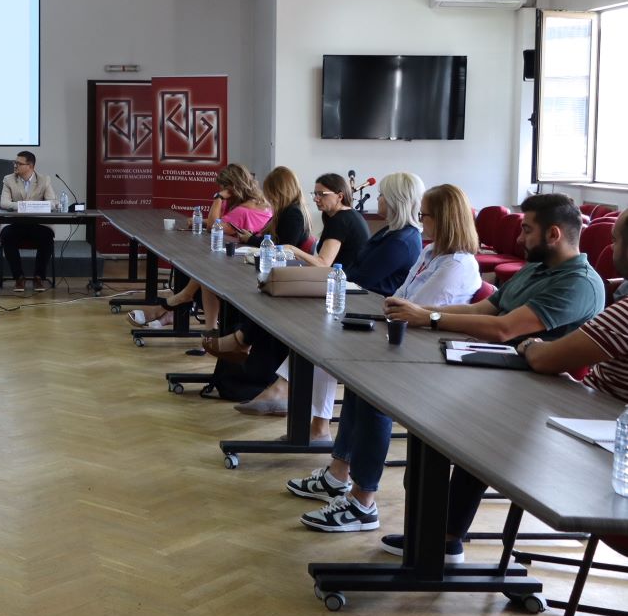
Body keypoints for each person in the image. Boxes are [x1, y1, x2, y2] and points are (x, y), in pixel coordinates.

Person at [379, 193, 604, 561]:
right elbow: (484, 309)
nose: (518, 238)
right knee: (423, 420)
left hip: (540, 394)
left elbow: (504, 329)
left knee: (440, 422)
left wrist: (430, 319)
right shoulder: (536, 268)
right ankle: (432, 531)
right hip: (501, 372)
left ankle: (444, 539)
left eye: (526, 230)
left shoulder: (579, 283)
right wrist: (419, 310)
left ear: (553, 234)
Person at [289, 183, 483, 533]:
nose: (421, 221)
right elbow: (400, 298)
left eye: (426, 215)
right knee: (359, 382)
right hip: (408, 343)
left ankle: (363, 501)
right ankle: (338, 475)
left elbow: (416, 310)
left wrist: (401, 307)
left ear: (444, 219)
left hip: (431, 358)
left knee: (374, 397)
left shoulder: (458, 265)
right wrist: (399, 307)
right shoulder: (431, 253)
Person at [224, 173, 423, 432]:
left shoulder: (401, 240)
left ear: (397, 200)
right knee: (303, 319)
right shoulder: (389, 233)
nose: (379, 200)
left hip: (370, 311)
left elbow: (361, 278)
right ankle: (304, 411)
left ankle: (291, 397)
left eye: (383, 196)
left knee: (318, 331)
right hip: (354, 300)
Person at [131, 163, 272, 324]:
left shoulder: (242, 210)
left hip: (237, 267)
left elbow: (214, 226)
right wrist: (202, 221)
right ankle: (173, 310)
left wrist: (218, 198)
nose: (220, 190)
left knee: (197, 266)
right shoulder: (261, 204)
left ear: (230, 187)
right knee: (200, 267)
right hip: (248, 260)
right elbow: (227, 226)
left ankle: (172, 305)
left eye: (222, 187)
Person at [516, 208, 628, 402]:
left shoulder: (623, 314)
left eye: (615, 240)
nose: (611, 247)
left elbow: (544, 359)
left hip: (598, 413)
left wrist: (530, 345)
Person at [0, 151, 59, 293]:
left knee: (47, 237)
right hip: (17, 223)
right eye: (15, 162)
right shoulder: (9, 179)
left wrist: (32, 206)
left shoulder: (44, 180)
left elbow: (53, 203)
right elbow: (4, 203)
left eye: (19, 163)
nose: (15, 165)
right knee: (6, 236)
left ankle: (38, 277)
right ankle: (19, 277)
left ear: (30, 166)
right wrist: (23, 206)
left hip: (38, 224)